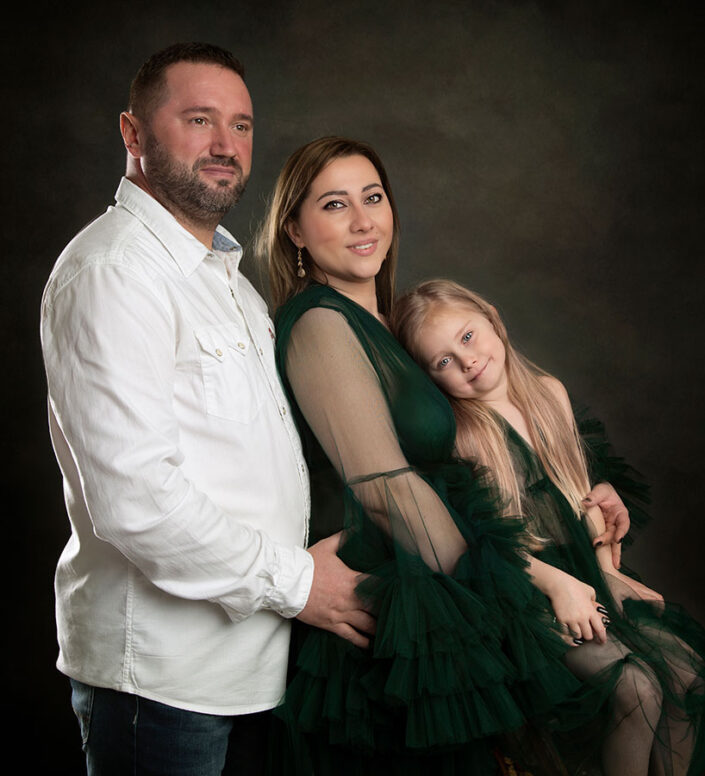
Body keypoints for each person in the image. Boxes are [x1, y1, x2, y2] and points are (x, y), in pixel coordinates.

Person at [258, 135, 646, 775]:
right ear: (294, 230)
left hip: (444, 576)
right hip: (409, 605)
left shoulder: (382, 324)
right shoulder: (322, 323)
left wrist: (582, 490)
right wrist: (516, 593)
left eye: (373, 198)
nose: (363, 221)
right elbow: (387, 489)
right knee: (614, 697)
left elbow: (472, 454)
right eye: (334, 205)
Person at [40, 44, 370, 776]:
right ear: (133, 133)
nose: (226, 144)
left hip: (253, 669)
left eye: (241, 125)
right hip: (161, 681)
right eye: (199, 120)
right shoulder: (115, 272)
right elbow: (135, 500)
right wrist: (301, 584)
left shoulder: (230, 283)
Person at [391, 278, 705, 775]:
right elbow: (480, 543)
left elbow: (582, 494)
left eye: (468, 337)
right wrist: (559, 588)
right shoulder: (463, 434)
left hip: (587, 571)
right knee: (635, 687)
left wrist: (609, 574)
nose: (467, 361)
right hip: (526, 593)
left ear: (493, 319)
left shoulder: (548, 394)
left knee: (687, 675)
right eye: (444, 361)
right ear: (430, 378)